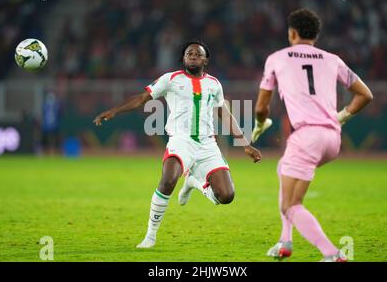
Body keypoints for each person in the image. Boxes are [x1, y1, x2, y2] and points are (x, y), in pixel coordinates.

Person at [94, 40, 262, 248]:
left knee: (226, 196)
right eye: (189, 53)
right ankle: (150, 236)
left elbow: (223, 113)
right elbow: (142, 98)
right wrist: (114, 111)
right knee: (168, 180)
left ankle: (193, 182)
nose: (192, 56)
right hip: (180, 140)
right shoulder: (170, 79)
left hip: (207, 145)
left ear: (205, 60)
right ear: (183, 58)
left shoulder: (214, 84)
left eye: (197, 54)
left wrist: (245, 144)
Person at [252, 8, 373, 262]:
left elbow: (262, 107)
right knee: (283, 169)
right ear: (315, 36)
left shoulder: (277, 58)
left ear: (292, 33)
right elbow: (365, 95)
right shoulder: (332, 59)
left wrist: (260, 124)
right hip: (332, 138)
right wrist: (341, 117)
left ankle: (333, 255)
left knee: (292, 205)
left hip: (306, 137)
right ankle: (285, 241)